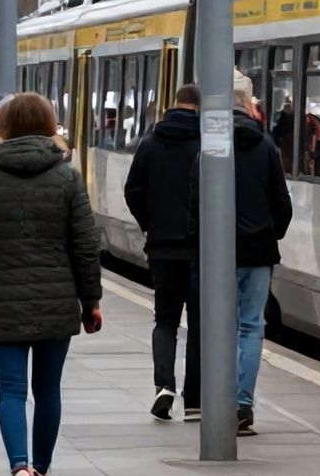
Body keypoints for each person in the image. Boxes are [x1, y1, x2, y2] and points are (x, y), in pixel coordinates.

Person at [0, 92, 101, 476]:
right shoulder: (66, 176)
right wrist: (90, 299)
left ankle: (18, 467)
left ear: (2, 126)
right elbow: (85, 244)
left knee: (11, 391)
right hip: (57, 297)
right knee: (48, 389)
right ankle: (41, 468)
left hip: (2, 297)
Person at [190, 70, 291, 437]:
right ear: (249, 103)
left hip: (219, 251)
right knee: (252, 326)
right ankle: (242, 404)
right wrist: (269, 234)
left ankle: (217, 401)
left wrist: (205, 239)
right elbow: (282, 203)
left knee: (221, 325)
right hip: (259, 249)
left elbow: (196, 198)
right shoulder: (265, 145)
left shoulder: (213, 144)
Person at [124, 84, 202, 421]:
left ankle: (164, 386)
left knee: (165, 320)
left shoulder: (151, 143)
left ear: (174, 105)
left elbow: (133, 191)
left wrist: (150, 224)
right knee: (201, 324)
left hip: (162, 247)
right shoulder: (208, 144)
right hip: (201, 249)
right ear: (200, 108)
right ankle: (196, 400)